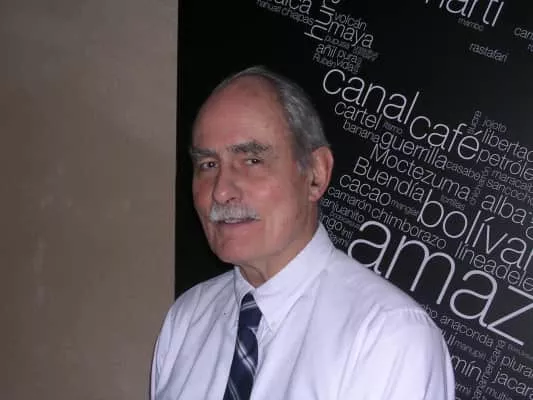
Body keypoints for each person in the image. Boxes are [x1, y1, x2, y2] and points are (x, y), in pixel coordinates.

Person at [151, 66, 455, 400]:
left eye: (252, 160)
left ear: (316, 174)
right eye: (208, 165)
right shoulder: (187, 318)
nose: (221, 191)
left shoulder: (388, 336)